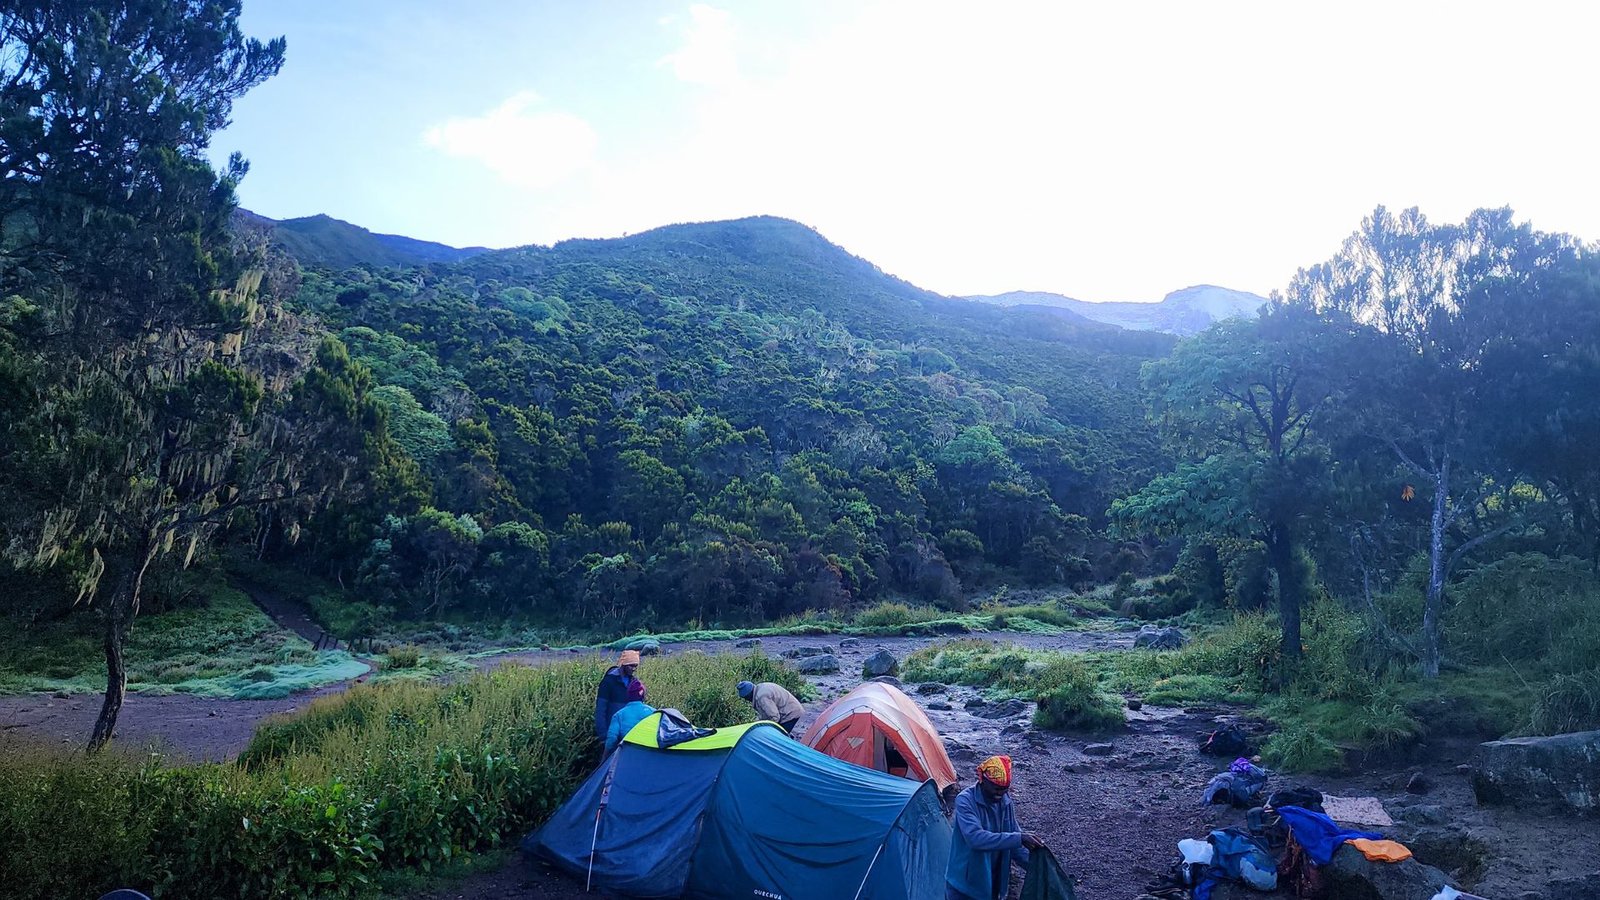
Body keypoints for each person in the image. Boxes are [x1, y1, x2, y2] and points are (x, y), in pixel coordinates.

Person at [945, 755, 1045, 900]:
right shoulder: (965, 800)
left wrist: (1039, 868)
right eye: (996, 788)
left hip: (993, 882)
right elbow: (975, 838)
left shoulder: (1005, 802)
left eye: (1004, 789)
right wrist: (1019, 838)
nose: (1000, 794)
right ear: (983, 780)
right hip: (965, 886)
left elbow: (1015, 844)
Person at [594, 649, 641, 741]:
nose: (633, 669)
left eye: (635, 666)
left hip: (629, 734)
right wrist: (603, 735)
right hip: (611, 732)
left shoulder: (635, 683)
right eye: (631, 666)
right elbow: (600, 710)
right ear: (623, 665)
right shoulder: (608, 682)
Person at [736, 680, 805, 736]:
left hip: (790, 714)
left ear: (748, 695)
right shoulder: (761, 688)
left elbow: (774, 718)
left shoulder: (762, 697)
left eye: (745, 698)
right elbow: (765, 714)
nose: (746, 700)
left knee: (778, 739)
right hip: (793, 710)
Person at [604, 679, 656, 751]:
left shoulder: (619, 715)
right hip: (649, 754)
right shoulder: (654, 713)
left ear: (628, 695)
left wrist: (605, 756)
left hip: (626, 754)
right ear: (643, 695)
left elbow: (611, 741)